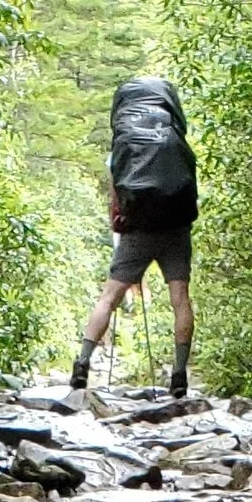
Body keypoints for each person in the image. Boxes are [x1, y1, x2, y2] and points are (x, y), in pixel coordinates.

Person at [70, 76, 197, 398]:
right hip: (176, 229)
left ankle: (82, 366)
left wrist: (119, 220)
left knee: (109, 298)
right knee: (180, 298)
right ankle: (180, 376)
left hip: (137, 230)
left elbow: (116, 193)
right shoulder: (175, 140)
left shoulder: (124, 143)